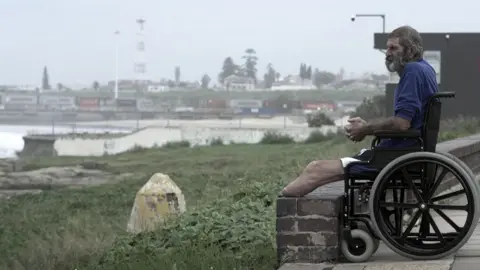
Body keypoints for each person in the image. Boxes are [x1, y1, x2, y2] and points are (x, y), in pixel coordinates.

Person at [281, 25, 439, 197]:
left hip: (398, 155)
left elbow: (402, 124)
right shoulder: (426, 69)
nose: (387, 53)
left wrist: (365, 129)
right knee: (321, 171)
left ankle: (283, 202)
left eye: (394, 48)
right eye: (387, 48)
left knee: (315, 169)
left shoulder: (412, 71)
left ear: (410, 50)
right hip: (409, 151)